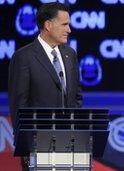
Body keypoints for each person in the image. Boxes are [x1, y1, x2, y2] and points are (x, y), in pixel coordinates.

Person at [8, 2, 82, 170]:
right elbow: (19, 106)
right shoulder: (24, 57)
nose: (69, 30)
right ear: (48, 25)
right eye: (64, 24)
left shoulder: (70, 55)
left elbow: (76, 97)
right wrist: (27, 146)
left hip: (69, 146)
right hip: (38, 148)